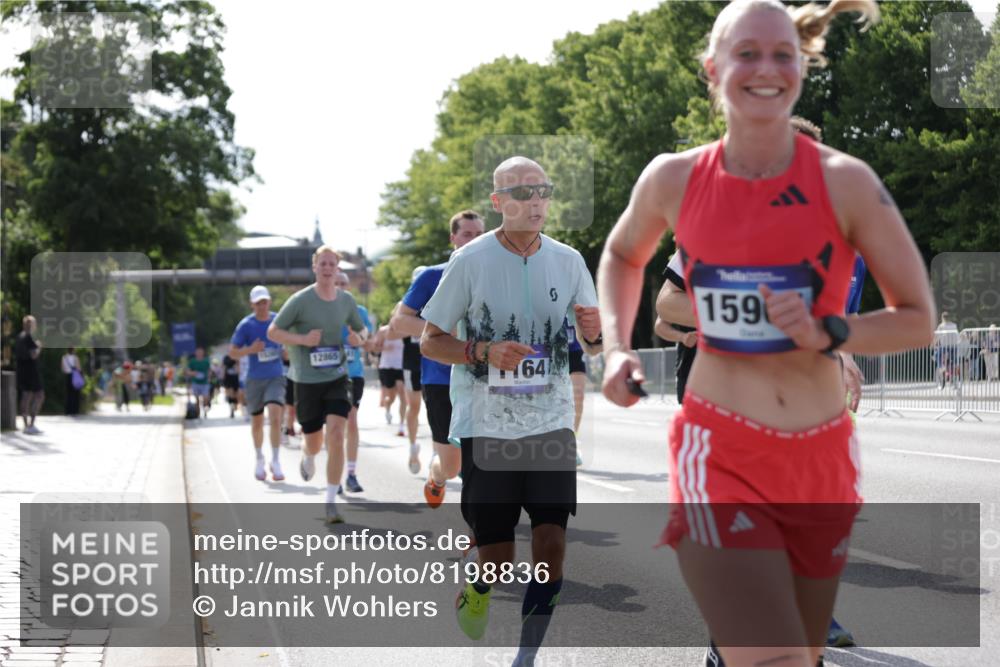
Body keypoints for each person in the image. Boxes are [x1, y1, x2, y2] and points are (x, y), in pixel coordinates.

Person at [597, 3, 935, 666]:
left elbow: (916, 316)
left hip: (820, 458)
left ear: (804, 65)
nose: (766, 69)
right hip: (717, 447)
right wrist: (616, 347)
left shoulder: (847, 183)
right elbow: (621, 255)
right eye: (746, 53)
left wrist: (829, 330)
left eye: (783, 54)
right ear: (711, 69)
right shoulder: (674, 176)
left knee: (800, 655)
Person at [421, 156, 603, 665]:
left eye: (542, 190)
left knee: (551, 542)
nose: (535, 200)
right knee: (498, 560)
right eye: (521, 193)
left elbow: (592, 344)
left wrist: (593, 331)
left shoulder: (569, 261)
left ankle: (526, 656)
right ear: (499, 204)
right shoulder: (470, 260)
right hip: (488, 423)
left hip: (550, 421)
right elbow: (430, 342)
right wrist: (482, 352)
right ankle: (477, 587)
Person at [390, 209, 486, 507]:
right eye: (467, 234)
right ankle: (438, 475)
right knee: (451, 466)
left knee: (481, 463)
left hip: (482, 379)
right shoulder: (433, 276)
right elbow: (399, 323)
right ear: (453, 238)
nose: (473, 240)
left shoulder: (494, 277)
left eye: (479, 235)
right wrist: (442, 331)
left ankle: (479, 536)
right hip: (440, 380)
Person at [268, 245, 367, 524]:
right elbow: (273, 331)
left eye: (331, 264)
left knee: (337, 433)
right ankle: (307, 455)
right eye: (322, 264)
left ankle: (331, 502)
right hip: (306, 380)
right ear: (315, 267)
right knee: (314, 442)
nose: (327, 268)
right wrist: (302, 340)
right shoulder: (300, 300)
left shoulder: (346, 301)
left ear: (337, 269)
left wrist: (359, 337)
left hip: (337, 376)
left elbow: (361, 329)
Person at [230, 285, 287, 482]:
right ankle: (259, 458)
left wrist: (287, 351)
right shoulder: (246, 325)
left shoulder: (277, 320)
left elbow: (287, 343)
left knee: (275, 414)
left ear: (269, 302)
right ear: (252, 304)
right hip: (254, 378)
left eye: (264, 302)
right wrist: (250, 350)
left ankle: (276, 459)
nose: (262, 306)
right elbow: (232, 352)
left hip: (276, 375)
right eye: (258, 303)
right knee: (257, 422)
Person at [334, 271, 375, 494]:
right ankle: (334, 473)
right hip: (327, 376)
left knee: (350, 420)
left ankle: (350, 474)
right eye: (337, 282)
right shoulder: (323, 311)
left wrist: (358, 340)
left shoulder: (359, 312)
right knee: (333, 427)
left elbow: (370, 343)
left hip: (353, 374)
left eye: (344, 283)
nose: (340, 286)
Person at [398, 266, 427, 474]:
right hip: (412, 363)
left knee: (438, 409)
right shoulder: (404, 306)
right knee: (414, 406)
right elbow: (392, 329)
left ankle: (438, 449)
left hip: (436, 362)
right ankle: (413, 445)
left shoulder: (438, 302)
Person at [375, 325, 407, 440]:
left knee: (403, 395)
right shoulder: (383, 331)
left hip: (400, 367)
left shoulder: (405, 330)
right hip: (387, 366)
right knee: (391, 397)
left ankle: (402, 425)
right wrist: (384, 348)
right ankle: (388, 408)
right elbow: (374, 348)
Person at [14, 315, 44, 434]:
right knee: (39, 395)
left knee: (25, 396)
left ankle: (26, 425)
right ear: (31, 325)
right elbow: (33, 355)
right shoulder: (29, 337)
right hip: (31, 372)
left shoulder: (19, 336)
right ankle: (31, 424)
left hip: (22, 371)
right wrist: (39, 347)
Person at [933, 312, 960, 388]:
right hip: (953, 346)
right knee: (954, 363)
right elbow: (957, 336)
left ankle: (941, 366)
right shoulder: (954, 325)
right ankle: (954, 383)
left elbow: (937, 336)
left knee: (937, 355)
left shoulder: (941, 326)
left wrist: (933, 345)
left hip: (944, 346)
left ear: (942, 318)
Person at [186, 347, 212, 418]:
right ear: (196, 353)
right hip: (195, 383)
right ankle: (198, 414)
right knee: (197, 400)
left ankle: (205, 409)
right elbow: (188, 371)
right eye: (198, 352)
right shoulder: (192, 361)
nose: (199, 353)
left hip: (205, 382)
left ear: (203, 353)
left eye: (201, 352)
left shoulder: (206, 361)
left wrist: (209, 377)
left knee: (205, 398)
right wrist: (193, 373)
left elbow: (209, 370)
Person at [61, 346, 82, 416]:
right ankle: (74, 410)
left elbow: (63, 369)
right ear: (73, 350)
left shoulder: (64, 357)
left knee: (68, 394)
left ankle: (68, 410)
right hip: (75, 376)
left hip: (67, 376)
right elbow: (79, 368)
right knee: (75, 395)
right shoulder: (75, 358)